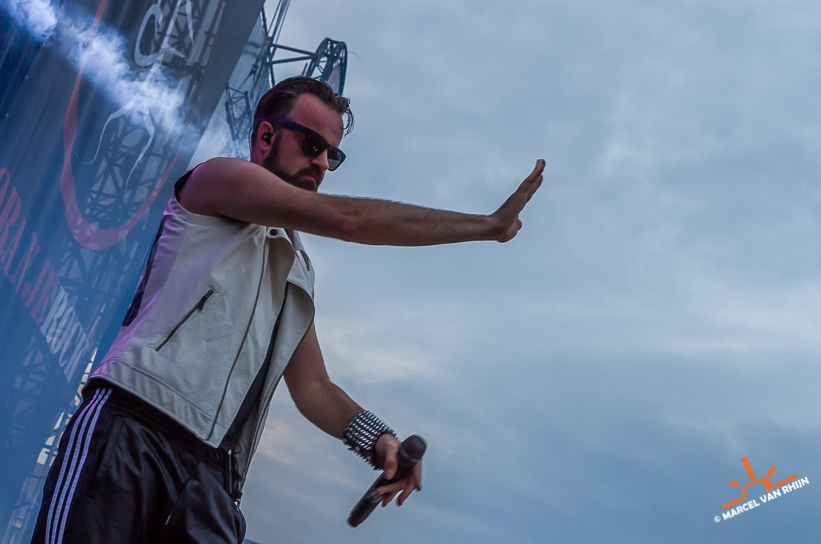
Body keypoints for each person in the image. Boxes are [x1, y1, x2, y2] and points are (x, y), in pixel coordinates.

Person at [30, 76, 544, 544]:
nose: (321, 163)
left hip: (214, 479)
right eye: (313, 145)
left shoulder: (296, 267)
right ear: (265, 137)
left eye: (332, 156)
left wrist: (379, 441)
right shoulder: (215, 180)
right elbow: (348, 219)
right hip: (135, 425)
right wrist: (485, 226)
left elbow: (313, 387)